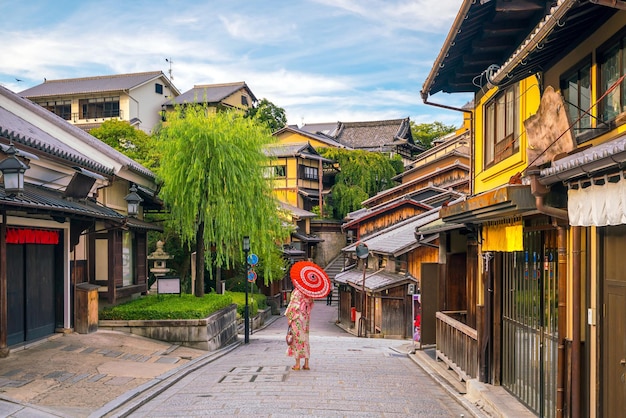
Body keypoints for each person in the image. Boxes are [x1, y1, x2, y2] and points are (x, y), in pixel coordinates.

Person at [285, 288, 313, 370]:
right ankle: (306, 364)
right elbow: (310, 305)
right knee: (305, 339)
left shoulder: (297, 291)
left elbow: (293, 305)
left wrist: (290, 318)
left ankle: (297, 364)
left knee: (297, 339)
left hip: (297, 317)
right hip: (305, 317)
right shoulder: (309, 292)